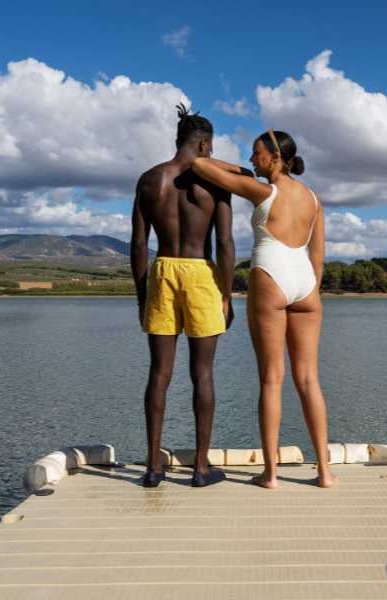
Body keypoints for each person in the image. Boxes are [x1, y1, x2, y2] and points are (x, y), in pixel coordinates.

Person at [192, 130, 337, 489]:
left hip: (271, 275)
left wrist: (244, 171)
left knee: (272, 379)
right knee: (309, 380)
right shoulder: (314, 199)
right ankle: (325, 472)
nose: (252, 159)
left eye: (256, 154)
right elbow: (318, 256)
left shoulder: (263, 190)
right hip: (305, 282)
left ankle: (271, 474)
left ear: (274, 157)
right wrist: (309, 290)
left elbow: (199, 164)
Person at [130, 104, 235, 488]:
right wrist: (227, 294)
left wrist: (142, 295)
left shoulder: (149, 179)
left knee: (159, 374)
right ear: (205, 144)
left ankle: (152, 468)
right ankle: (201, 469)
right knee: (202, 374)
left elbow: (139, 243)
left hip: (162, 270)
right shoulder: (217, 182)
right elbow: (224, 242)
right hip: (201, 272)